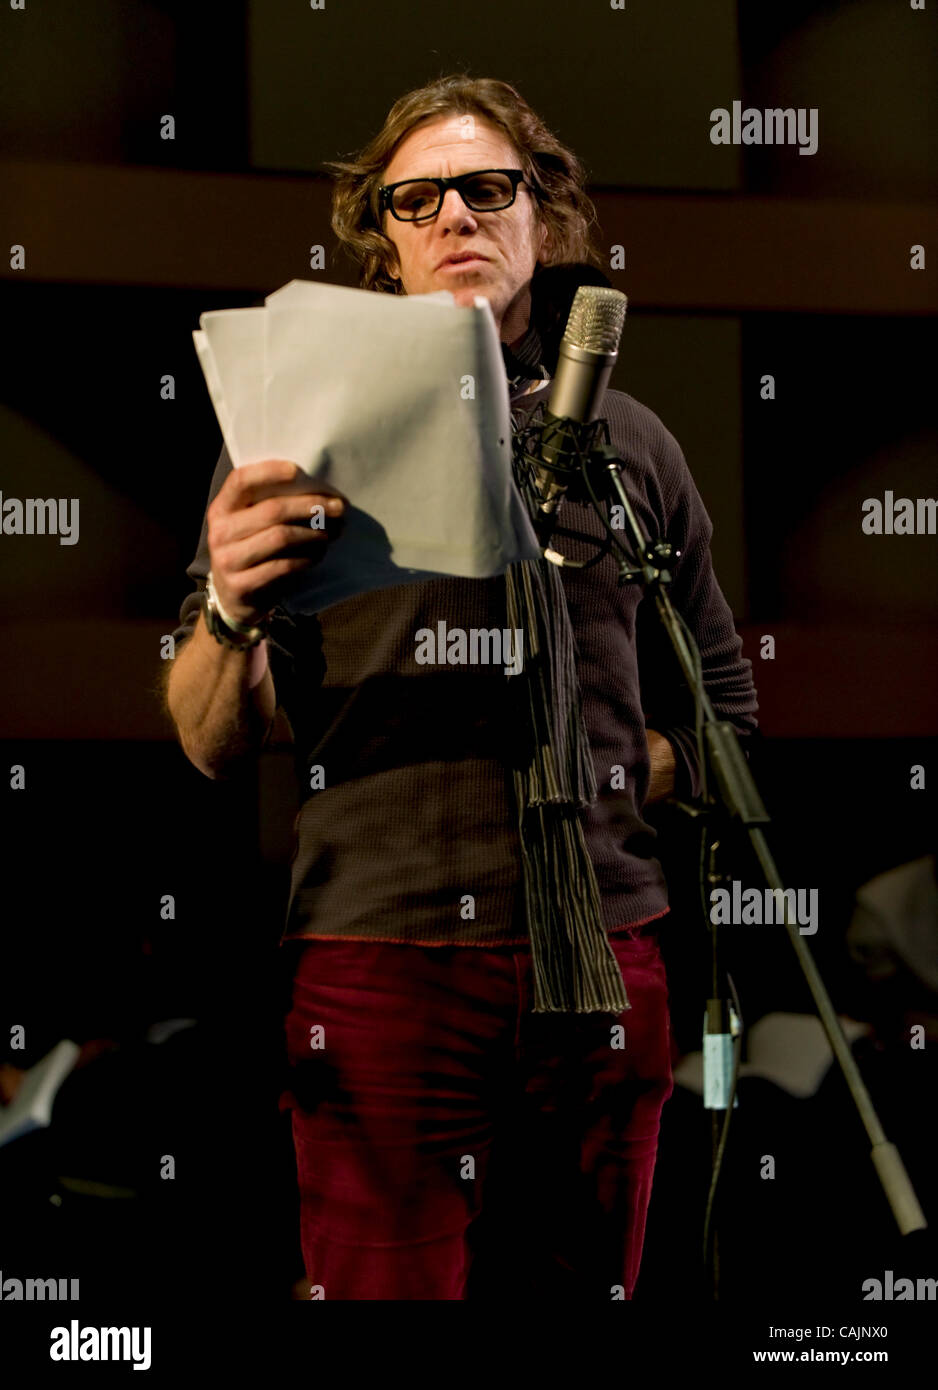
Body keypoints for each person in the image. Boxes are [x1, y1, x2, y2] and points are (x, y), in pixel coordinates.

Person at [162, 74, 759, 1300]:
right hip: (382, 957)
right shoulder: (295, 433)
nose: (454, 218)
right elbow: (211, 737)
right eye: (415, 198)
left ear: (546, 217)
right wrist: (228, 611)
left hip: (603, 947)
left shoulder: (631, 442)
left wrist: (604, 764)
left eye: (487, 189)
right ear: (379, 234)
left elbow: (723, 715)